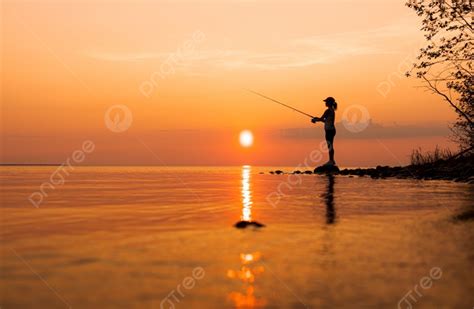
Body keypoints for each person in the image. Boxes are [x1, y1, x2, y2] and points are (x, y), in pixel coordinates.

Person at [311, 97, 337, 166]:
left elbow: (321, 118)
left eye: (326, 102)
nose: (325, 103)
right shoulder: (332, 110)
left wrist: (315, 120)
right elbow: (325, 121)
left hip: (329, 131)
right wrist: (317, 119)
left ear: (329, 103)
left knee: (330, 146)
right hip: (331, 130)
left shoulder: (328, 111)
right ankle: (332, 160)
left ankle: (331, 161)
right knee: (330, 145)